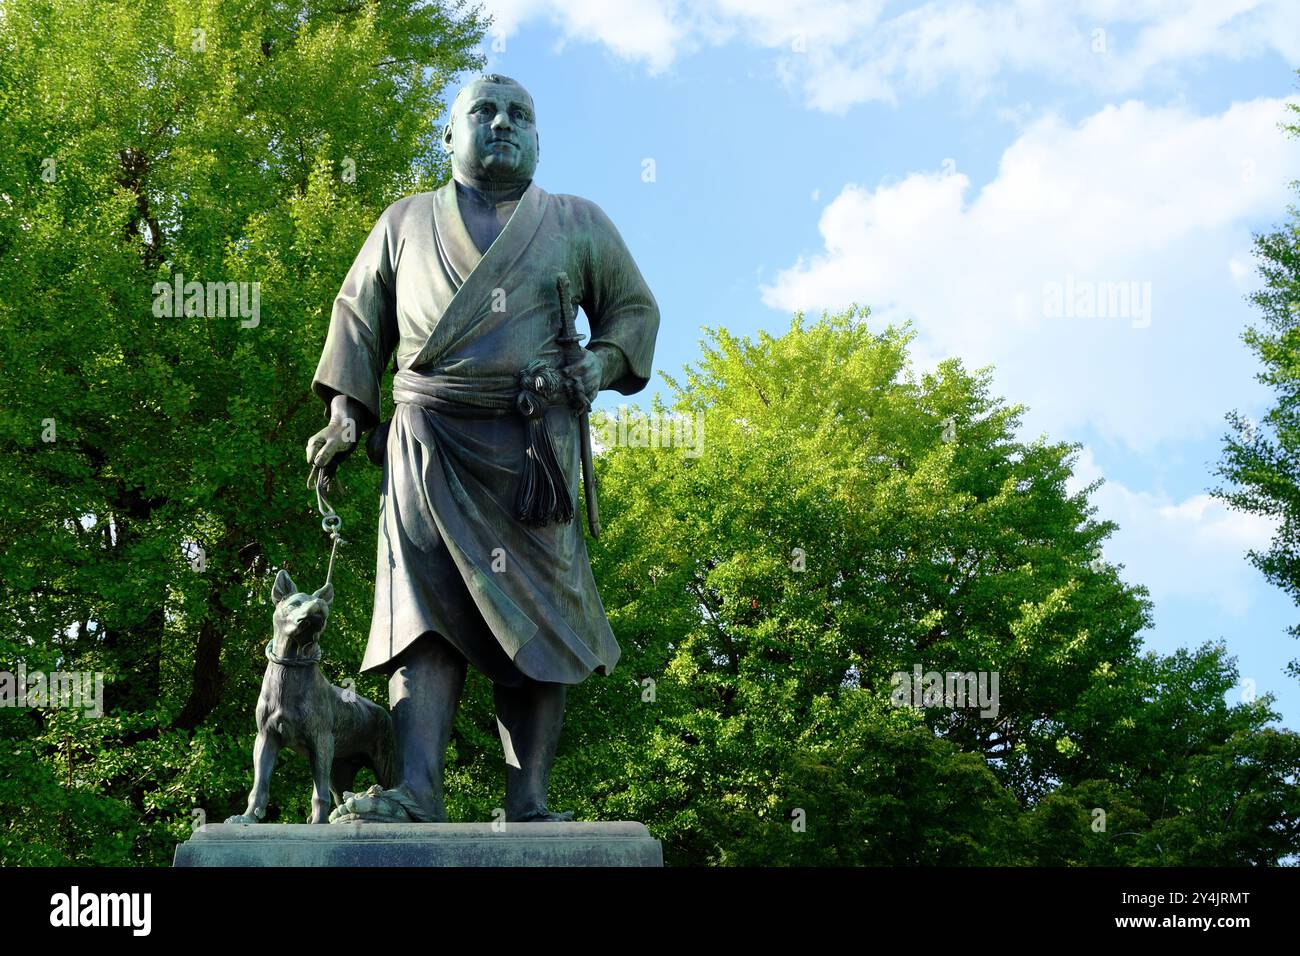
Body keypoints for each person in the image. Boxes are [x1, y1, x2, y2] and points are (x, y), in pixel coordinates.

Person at [305, 74, 659, 823]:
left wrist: (596, 365)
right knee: (420, 617)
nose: (502, 123)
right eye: (484, 112)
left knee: (542, 617)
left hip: (535, 451)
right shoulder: (403, 222)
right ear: (449, 136)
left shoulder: (575, 221)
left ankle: (528, 800)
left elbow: (633, 308)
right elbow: (358, 320)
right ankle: (417, 790)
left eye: (519, 114)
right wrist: (345, 414)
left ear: (538, 137)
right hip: (427, 441)